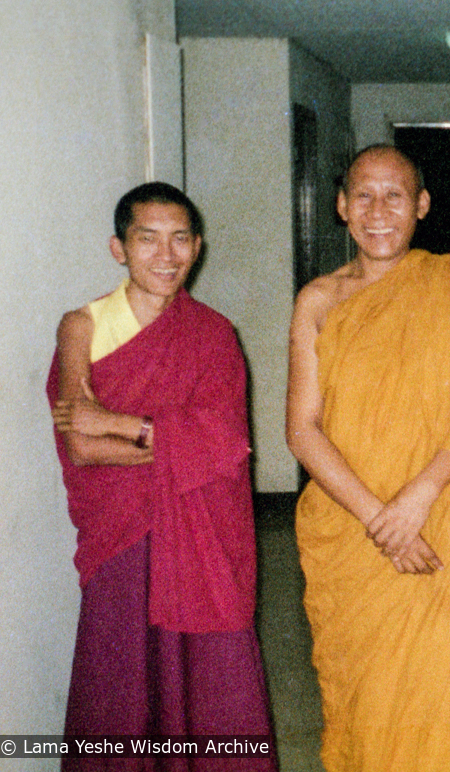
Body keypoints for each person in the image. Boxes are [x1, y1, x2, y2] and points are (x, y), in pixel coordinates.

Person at [286, 145, 450, 772]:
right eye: (363, 194)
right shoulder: (318, 302)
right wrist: (378, 519)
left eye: (395, 196)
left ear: (422, 206)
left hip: (437, 515)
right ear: (340, 205)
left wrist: (416, 499)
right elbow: (302, 430)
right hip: (351, 528)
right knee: (367, 695)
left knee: (442, 688)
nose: (378, 210)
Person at [48, 182, 276, 769]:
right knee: (121, 684)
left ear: (197, 247)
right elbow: (81, 446)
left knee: (207, 676)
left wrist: (120, 422)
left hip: (199, 537)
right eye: (147, 239)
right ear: (119, 248)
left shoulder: (213, 335)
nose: (166, 255)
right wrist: (177, 442)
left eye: (180, 240)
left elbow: (226, 442)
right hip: (120, 537)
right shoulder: (82, 325)